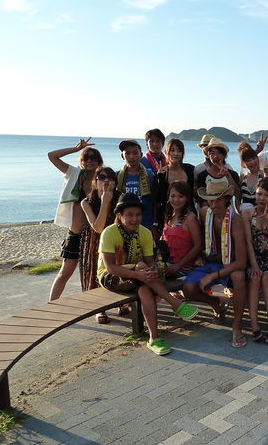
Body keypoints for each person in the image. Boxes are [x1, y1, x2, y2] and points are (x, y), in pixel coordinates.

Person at [97, 193, 199, 355]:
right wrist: (140, 273)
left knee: (144, 288)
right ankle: (174, 303)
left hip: (138, 276)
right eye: (129, 215)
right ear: (120, 215)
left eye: (138, 215)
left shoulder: (144, 232)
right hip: (110, 277)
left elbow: (150, 262)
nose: (134, 219)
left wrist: (153, 270)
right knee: (140, 266)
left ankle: (153, 338)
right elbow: (110, 267)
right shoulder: (109, 232)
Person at [182, 179, 248, 347]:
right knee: (188, 289)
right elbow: (200, 240)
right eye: (210, 200)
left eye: (218, 199)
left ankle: (237, 326)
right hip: (209, 261)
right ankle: (215, 304)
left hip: (230, 264)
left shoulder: (236, 220)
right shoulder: (205, 213)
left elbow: (241, 262)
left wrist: (213, 275)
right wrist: (198, 257)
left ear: (226, 199)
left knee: (239, 278)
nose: (213, 204)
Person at [48, 138, 103, 301]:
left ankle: (99, 309)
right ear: (81, 161)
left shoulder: (103, 179)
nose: (90, 161)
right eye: (86, 158)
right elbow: (51, 156)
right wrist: (75, 149)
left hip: (96, 235)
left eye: (93, 158)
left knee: (96, 274)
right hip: (76, 233)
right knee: (65, 273)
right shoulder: (74, 174)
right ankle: (51, 305)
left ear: (99, 161)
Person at [242, 179, 268, 345]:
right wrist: (253, 265)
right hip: (254, 257)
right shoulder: (247, 214)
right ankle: (254, 325)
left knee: (267, 277)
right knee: (254, 278)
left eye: (266, 195)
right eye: (259, 194)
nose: (262, 198)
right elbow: (248, 242)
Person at [80, 166, 121, 323]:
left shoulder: (120, 198)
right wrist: (104, 202)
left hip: (116, 239)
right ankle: (99, 309)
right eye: (102, 177)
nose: (106, 181)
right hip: (95, 242)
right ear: (95, 181)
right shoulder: (87, 202)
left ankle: (121, 303)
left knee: (118, 271)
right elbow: (98, 227)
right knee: (94, 275)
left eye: (111, 178)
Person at [160, 181, 202, 279]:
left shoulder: (190, 218)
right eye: (173, 196)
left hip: (184, 267)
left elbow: (198, 246)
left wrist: (178, 265)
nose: (176, 200)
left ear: (187, 198)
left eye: (181, 196)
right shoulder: (169, 216)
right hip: (168, 264)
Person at [116, 139, 156, 231]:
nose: (131, 156)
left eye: (135, 153)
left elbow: (154, 201)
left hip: (145, 224)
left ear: (141, 155)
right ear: (122, 156)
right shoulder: (117, 176)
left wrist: (154, 223)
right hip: (124, 224)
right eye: (127, 153)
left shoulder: (150, 175)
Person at [155, 138, 195, 229]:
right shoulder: (162, 173)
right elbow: (160, 199)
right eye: (172, 150)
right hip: (168, 216)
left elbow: (194, 192)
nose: (176, 154)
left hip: (188, 214)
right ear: (166, 152)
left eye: (179, 151)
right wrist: (160, 178)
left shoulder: (189, 169)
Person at [195, 137, 241, 209]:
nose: (216, 156)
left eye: (219, 153)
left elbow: (238, 195)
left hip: (228, 211)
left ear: (224, 155)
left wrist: (228, 176)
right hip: (209, 211)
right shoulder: (203, 175)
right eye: (212, 153)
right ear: (208, 156)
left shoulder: (232, 174)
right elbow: (203, 200)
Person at [237, 141, 262, 211]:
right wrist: (239, 211)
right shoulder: (242, 177)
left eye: (254, 159)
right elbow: (238, 198)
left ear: (257, 158)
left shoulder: (262, 175)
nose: (252, 162)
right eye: (248, 160)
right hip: (245, 214)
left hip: (260, 213)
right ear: (243, 163)